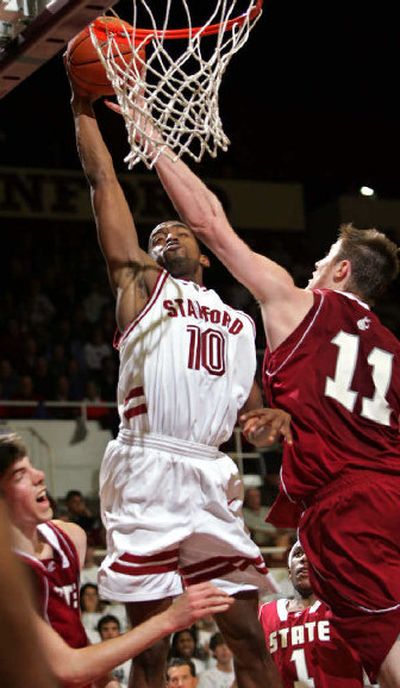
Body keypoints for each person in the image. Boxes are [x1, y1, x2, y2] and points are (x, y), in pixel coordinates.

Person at [139, 131, 400, 686]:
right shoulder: (394, 351)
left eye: (321, 262)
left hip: (346, 509)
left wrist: (152, 143)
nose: (310, 271)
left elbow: (211, 224)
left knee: (391, 660)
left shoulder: (299, 304)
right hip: (391, 497)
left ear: (342, 272)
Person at [66, 60, 293, 688]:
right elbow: (102, 181)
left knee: (249, 637)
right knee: (153, 643)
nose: (163, 232)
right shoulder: (141, 284)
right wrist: (84, 109)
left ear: (205, 255)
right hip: (147, 465)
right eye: (155, 230)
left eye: (177, 229)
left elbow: (253, 410)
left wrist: (270, 417)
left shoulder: (241, 324)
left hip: (210, 471)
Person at [0, 432, 235, 687]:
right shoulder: (8, 573)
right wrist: (169, 619)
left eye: (31, 466)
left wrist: (106, 681)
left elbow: (69, 635)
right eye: (20, 475)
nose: (39, 475)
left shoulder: (71, 538)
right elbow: (68, 668)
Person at [259, 540, 365, 687]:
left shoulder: (345, 607)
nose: (304, 558)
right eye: (297, 554)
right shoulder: (265, 614)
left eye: (311, 553)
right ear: (290, 572)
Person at [98, 615, 132, 686]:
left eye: (114, 629)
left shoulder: (129, 656)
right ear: (100, 633)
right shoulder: (94, 656)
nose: (110, 633)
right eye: (105, 629)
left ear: (119, 632)